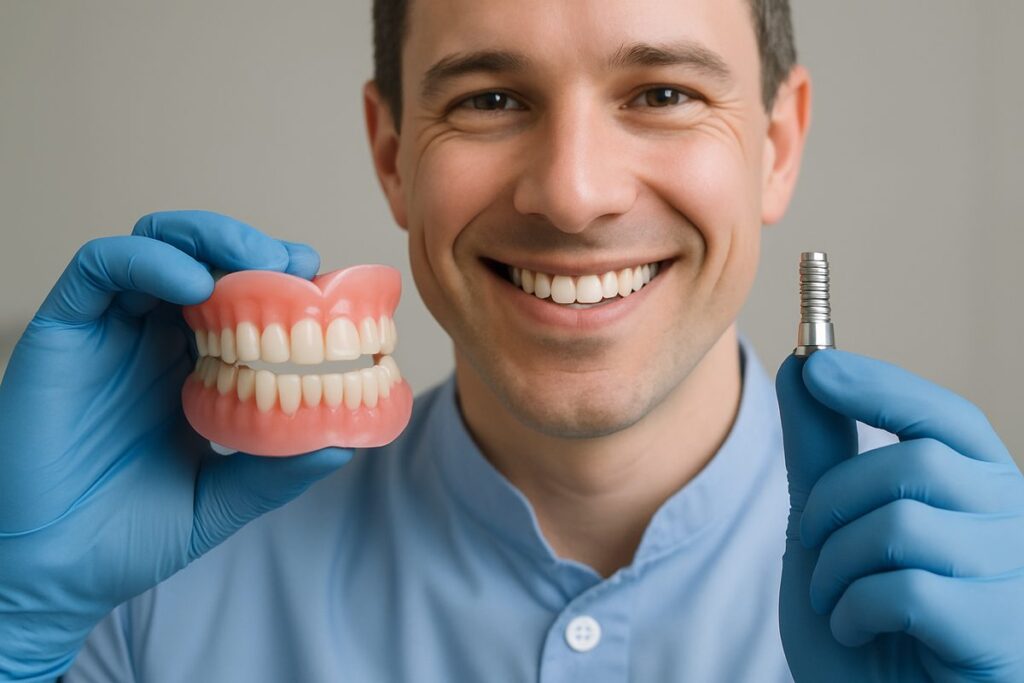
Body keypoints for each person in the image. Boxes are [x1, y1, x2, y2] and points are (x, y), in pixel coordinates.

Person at [1, 0, 1022, 681]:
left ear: (777, 143)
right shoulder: (142, 603)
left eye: (662, 94)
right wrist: (14, 634)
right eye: (490, 99)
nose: (573, 194)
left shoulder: (968, 602)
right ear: (392, 154)